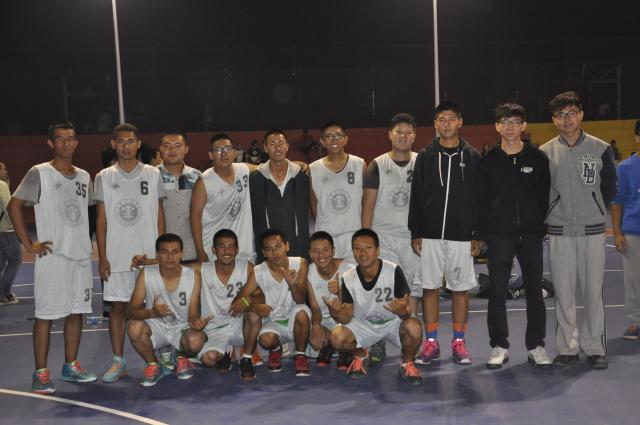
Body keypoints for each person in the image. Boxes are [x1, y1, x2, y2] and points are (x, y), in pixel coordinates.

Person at [8, 121, 97, 394]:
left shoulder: (84, 176)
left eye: (70, 138)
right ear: (51, 143)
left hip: (80, 256)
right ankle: (41, 373)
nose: (66, 143)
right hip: (53, 255)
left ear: (76, 142)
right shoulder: (40, 172)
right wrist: (28, 243)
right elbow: (14, 205)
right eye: (60, 139)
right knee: (45, 315)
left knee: (77, 312)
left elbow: (87, 213)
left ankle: (71, 365)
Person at [540, 91, 617, 370]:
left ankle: (595, 347)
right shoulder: (545, 152)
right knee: (563, 293)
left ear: (581, 115)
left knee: (593, 293)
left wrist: (592, 208)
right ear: (554, 120)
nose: (566, 119)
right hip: (559, 231)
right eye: (560, 115)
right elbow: (540, 192)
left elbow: (609, 188)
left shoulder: (600, 148)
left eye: (571, 113)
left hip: (592, 231)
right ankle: (567, 348)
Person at [474, 103, 551, 369]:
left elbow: (544, 195)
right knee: (497, 292)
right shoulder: (487, 161)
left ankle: (536, 345)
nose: (509, 127)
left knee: (535, 292)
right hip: (499, 236)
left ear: (524, 126)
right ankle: (499, 345)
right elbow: (481, 201)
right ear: (497, 126)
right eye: (504, 122)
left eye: (515, 122)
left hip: (530, 234)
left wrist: (538, 226)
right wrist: (482, 234)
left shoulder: (537, 158)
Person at [408, 101, 480, 366]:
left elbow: (479, 198)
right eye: (441, 119)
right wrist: (416, 230)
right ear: (435, 124)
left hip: (462, 234)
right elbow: (416, 195)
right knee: (430, 288)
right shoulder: (425, 156)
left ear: (460, 122)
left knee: (460, 290)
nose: (446, 124)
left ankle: (459, 342)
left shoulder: (472, 156)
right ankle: (431, 342)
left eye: (451, 119)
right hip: (430, 234)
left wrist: (477, 233)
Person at [95, 122, 166, 382]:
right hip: (117, 255)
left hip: (148, 255)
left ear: (138, 144)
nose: (126, 146)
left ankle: (163, 356)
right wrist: (102, 257)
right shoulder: (103, 176)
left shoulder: (153, 174)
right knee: (118, 308)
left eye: (130, 141)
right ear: (113, 144)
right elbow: (101, 221)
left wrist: (161, 253)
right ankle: (118, 361)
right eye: (121, 141)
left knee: (156, 306)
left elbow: (159, 215)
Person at [324, 228, 423, 385]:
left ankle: (407, 363)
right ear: (353, 251)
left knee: (414, 327)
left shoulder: (393, 270)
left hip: (392, 322)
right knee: (336, 338)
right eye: (357, 248)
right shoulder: (348, 278)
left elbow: (407, 311)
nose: (362, 253)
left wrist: (402, 311)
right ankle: (361, 354)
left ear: (377, 250)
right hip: (364, 324)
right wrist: (336, 312)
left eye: (368, 248)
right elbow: (346, 318)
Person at [126, 234, 204, 386]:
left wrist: (196, 322)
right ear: (157, 254)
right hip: (155, 326)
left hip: (180, 327)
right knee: (134, 327)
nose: (170, 257)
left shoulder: (193, 276)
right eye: (165, 252)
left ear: (181, 254)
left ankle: (180, 356)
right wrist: (152, 313)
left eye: (175, 252)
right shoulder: (146, 274)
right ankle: (154, 365)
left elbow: (193, 312)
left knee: (197, 340)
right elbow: (130, 311)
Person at [362, 113, 421, 310]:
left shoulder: (422, 162)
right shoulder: (377, 164)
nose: (403, 136)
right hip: (384, 237)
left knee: (414, 290)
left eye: (408, 132)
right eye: (399, 132)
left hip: (413, 238)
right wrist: (366, 238)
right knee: (389, 289)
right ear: (390, 134)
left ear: (414, 136)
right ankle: (388, 328)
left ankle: (412, 326)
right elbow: (368, 205)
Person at [234, 228, 312, 377]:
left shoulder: (300, 263)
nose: (275, 252)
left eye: (278, 246)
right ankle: (276, 350)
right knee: (266, 341)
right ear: (263, 252)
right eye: (269, 249)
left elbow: (300, 299)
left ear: (287, 246)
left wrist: (292, 284)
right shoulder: (259, 271)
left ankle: (300, 355)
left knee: (302, 312)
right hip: (273, 320)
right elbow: (238, 301)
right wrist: (254, 305)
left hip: (295, 318)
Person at [191, 229, 265, 381]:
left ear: (237, 250)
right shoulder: (202, 269)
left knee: (254, 311)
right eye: (222, 246)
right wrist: (148, 263)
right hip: (214, 328)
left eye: (231, 246)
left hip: (240, 325)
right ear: (213, 250)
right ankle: (226, 351)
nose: (227, 251)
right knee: (209, 360)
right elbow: (173, 267)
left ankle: (246, 358)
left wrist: (246, 300)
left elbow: (261, 296)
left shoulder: (246, 267)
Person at [191, 133, 255, 263]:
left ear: (235, 153)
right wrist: (200, 250)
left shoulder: (244, 169)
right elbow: (195, 217)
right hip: (213, 247)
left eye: (228, 149)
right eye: (218, 150)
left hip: (243, 246)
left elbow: (266, 167)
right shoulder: (204, 182)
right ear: (211, 155)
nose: (224, 153)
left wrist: (294, 164)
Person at [250, 129, 310, 262]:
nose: (277, 147)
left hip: (299, 247)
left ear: (287, 146)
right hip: (268, 251)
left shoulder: (302, 176)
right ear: (265, 148)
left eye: (281, 143)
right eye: (272, 143)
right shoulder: (255, 178)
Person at [310, 121, 366, 260]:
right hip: (327, 236)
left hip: (354, 233)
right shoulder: (313, 168)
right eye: (329, 136)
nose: (334, 139)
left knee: (356, 273)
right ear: (322, 141)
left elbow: (366, 202)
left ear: (346, 139)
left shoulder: (359, 164)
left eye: (338, 135)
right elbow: (314, 205)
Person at [305, 231, 355, 368]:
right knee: (312, 338)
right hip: (325, 320)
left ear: (333, 250)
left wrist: (340, 292)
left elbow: (352, 310)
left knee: (340, 335)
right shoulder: (308, 272)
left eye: (325, 250)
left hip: (347, 319)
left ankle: (346, 349)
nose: (321, 255)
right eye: (316, 251)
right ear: (310, 253)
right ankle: (329, 345)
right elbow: (315, 308)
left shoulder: (349, 269)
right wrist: (316, 327)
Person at [612, 120, 640, 340]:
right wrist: (617, 232)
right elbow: (617, 202)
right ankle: (635, 322)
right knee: (633, 280)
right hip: (633, 231)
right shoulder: (625, 168)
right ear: (637, 137)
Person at [157, 129, 202, 263]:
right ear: (160, 149)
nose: (172, 150)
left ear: (186, 149)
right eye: (166, 146)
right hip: (162, 251)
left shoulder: (197, 177)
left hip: (191, 249)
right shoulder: (152, 176)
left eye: (178, 146)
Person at [0, 162, 21, 305]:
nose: (6, 172)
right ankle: (4, 294)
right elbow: (8, 207)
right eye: (4, 169)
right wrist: (16, 227)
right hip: (6, 230)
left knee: (1, 262)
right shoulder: (1, 185)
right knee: (15, 261)